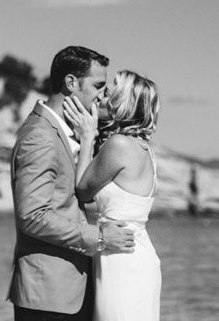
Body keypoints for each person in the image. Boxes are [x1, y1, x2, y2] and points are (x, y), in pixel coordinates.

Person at [8, 46, 136, 321]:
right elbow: (32, 216)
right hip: (49, 297)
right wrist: (100, 237)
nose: (104, 94)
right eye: (98, 85)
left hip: (72, 290)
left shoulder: (69, 133)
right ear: (70, 83)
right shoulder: (39, 137)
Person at [64, 70, 162, 321]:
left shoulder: (119, 144)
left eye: (109, 93)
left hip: (122, 260)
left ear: (123, 102)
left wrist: (87, 137)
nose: (101, 97)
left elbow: (83, 190)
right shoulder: (143, 148)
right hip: (131, 253)